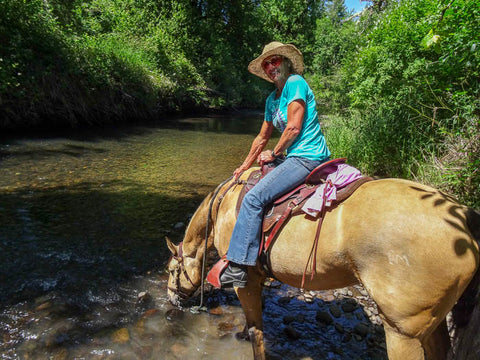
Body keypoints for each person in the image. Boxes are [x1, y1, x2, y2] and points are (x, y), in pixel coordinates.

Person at [220, 41, 331, 288]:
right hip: (292, 155)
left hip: (307, 156)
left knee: (253, 198)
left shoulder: (295, 83)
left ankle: (239, 266)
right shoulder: (272, 99)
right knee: (253, 182)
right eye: (266, 64)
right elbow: (261, 137)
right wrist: (243, 165)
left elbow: (293, 127)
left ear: (287, 62)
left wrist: (275, 152)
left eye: (275, 61)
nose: (271, 67)